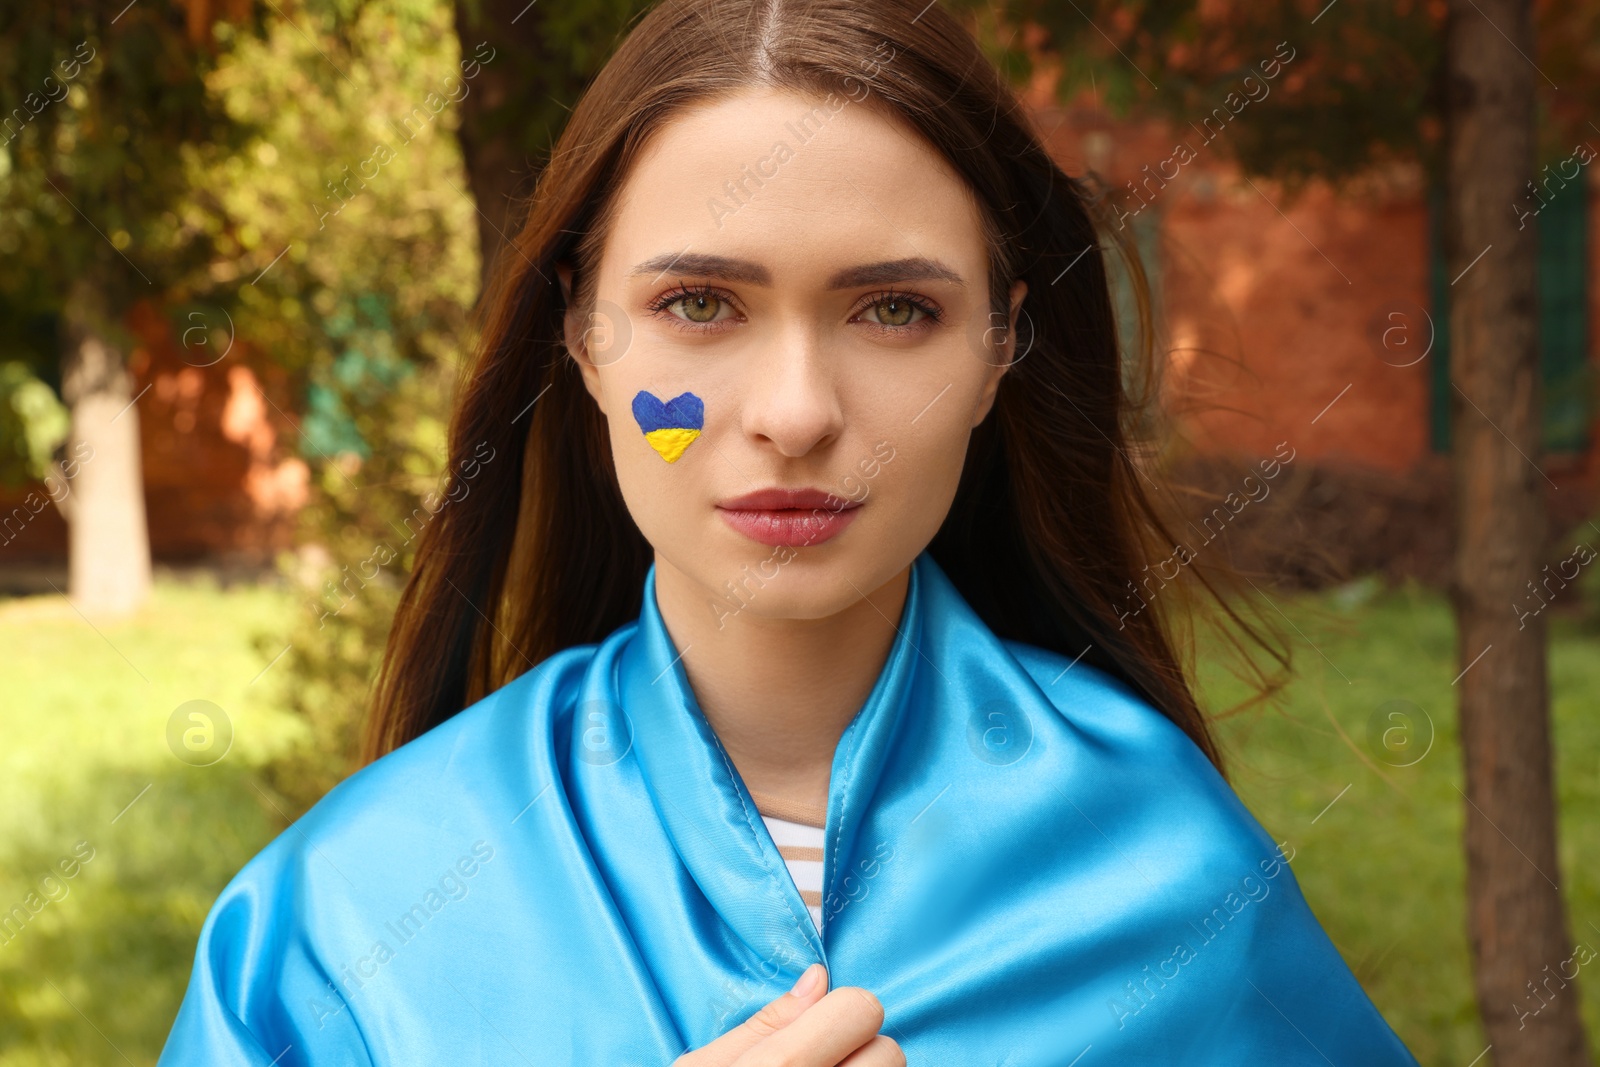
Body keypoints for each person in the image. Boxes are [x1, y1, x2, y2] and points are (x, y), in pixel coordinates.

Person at [158, 0, 1421, 1063]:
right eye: (700, 302)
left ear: (998, 349)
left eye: (892, 312)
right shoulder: (346, 915)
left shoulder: (1167, 868)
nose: (796, 413)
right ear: (585, 339)